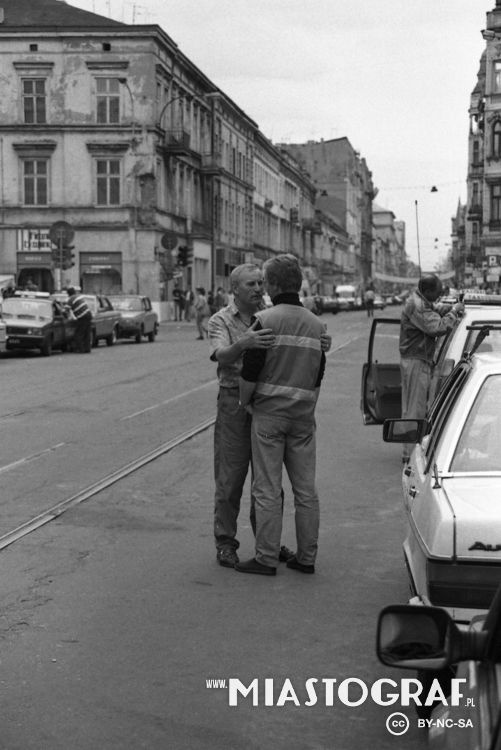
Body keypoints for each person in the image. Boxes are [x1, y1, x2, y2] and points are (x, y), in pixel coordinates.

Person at [208, 263, 332, 569]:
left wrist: (322, 343)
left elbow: (306, 344)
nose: (257, 288)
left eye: (261, 283)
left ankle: (268, 545)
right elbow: (221, 355)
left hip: (267, 404)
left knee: (267, 482)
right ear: (234, 289)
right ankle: (226, 542)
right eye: (250, 284)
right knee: (231, 478)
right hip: (235, 402)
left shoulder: (272, 314)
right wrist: (244, 343)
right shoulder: (221, 320)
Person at [399, 274, 464, 462]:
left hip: (417, 360)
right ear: (427, 291)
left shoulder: (421, 301)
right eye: (436, 292)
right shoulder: (418, 306)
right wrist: (454, 313)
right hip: (415, 361)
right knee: (415, 409)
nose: (438, 296)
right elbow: (436, 327)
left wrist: (450, 308)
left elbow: (435, 309)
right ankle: (410, 454)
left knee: (413, 406)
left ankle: (410, 448)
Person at [66, 286, 92, 353]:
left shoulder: (71, 299)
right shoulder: (79, 296)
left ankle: (81, 349)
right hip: (88, 315)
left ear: (68, 294)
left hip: (82, 317)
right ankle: (87, 349)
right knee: (87, 333)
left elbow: (66, 310)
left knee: (78, 334)